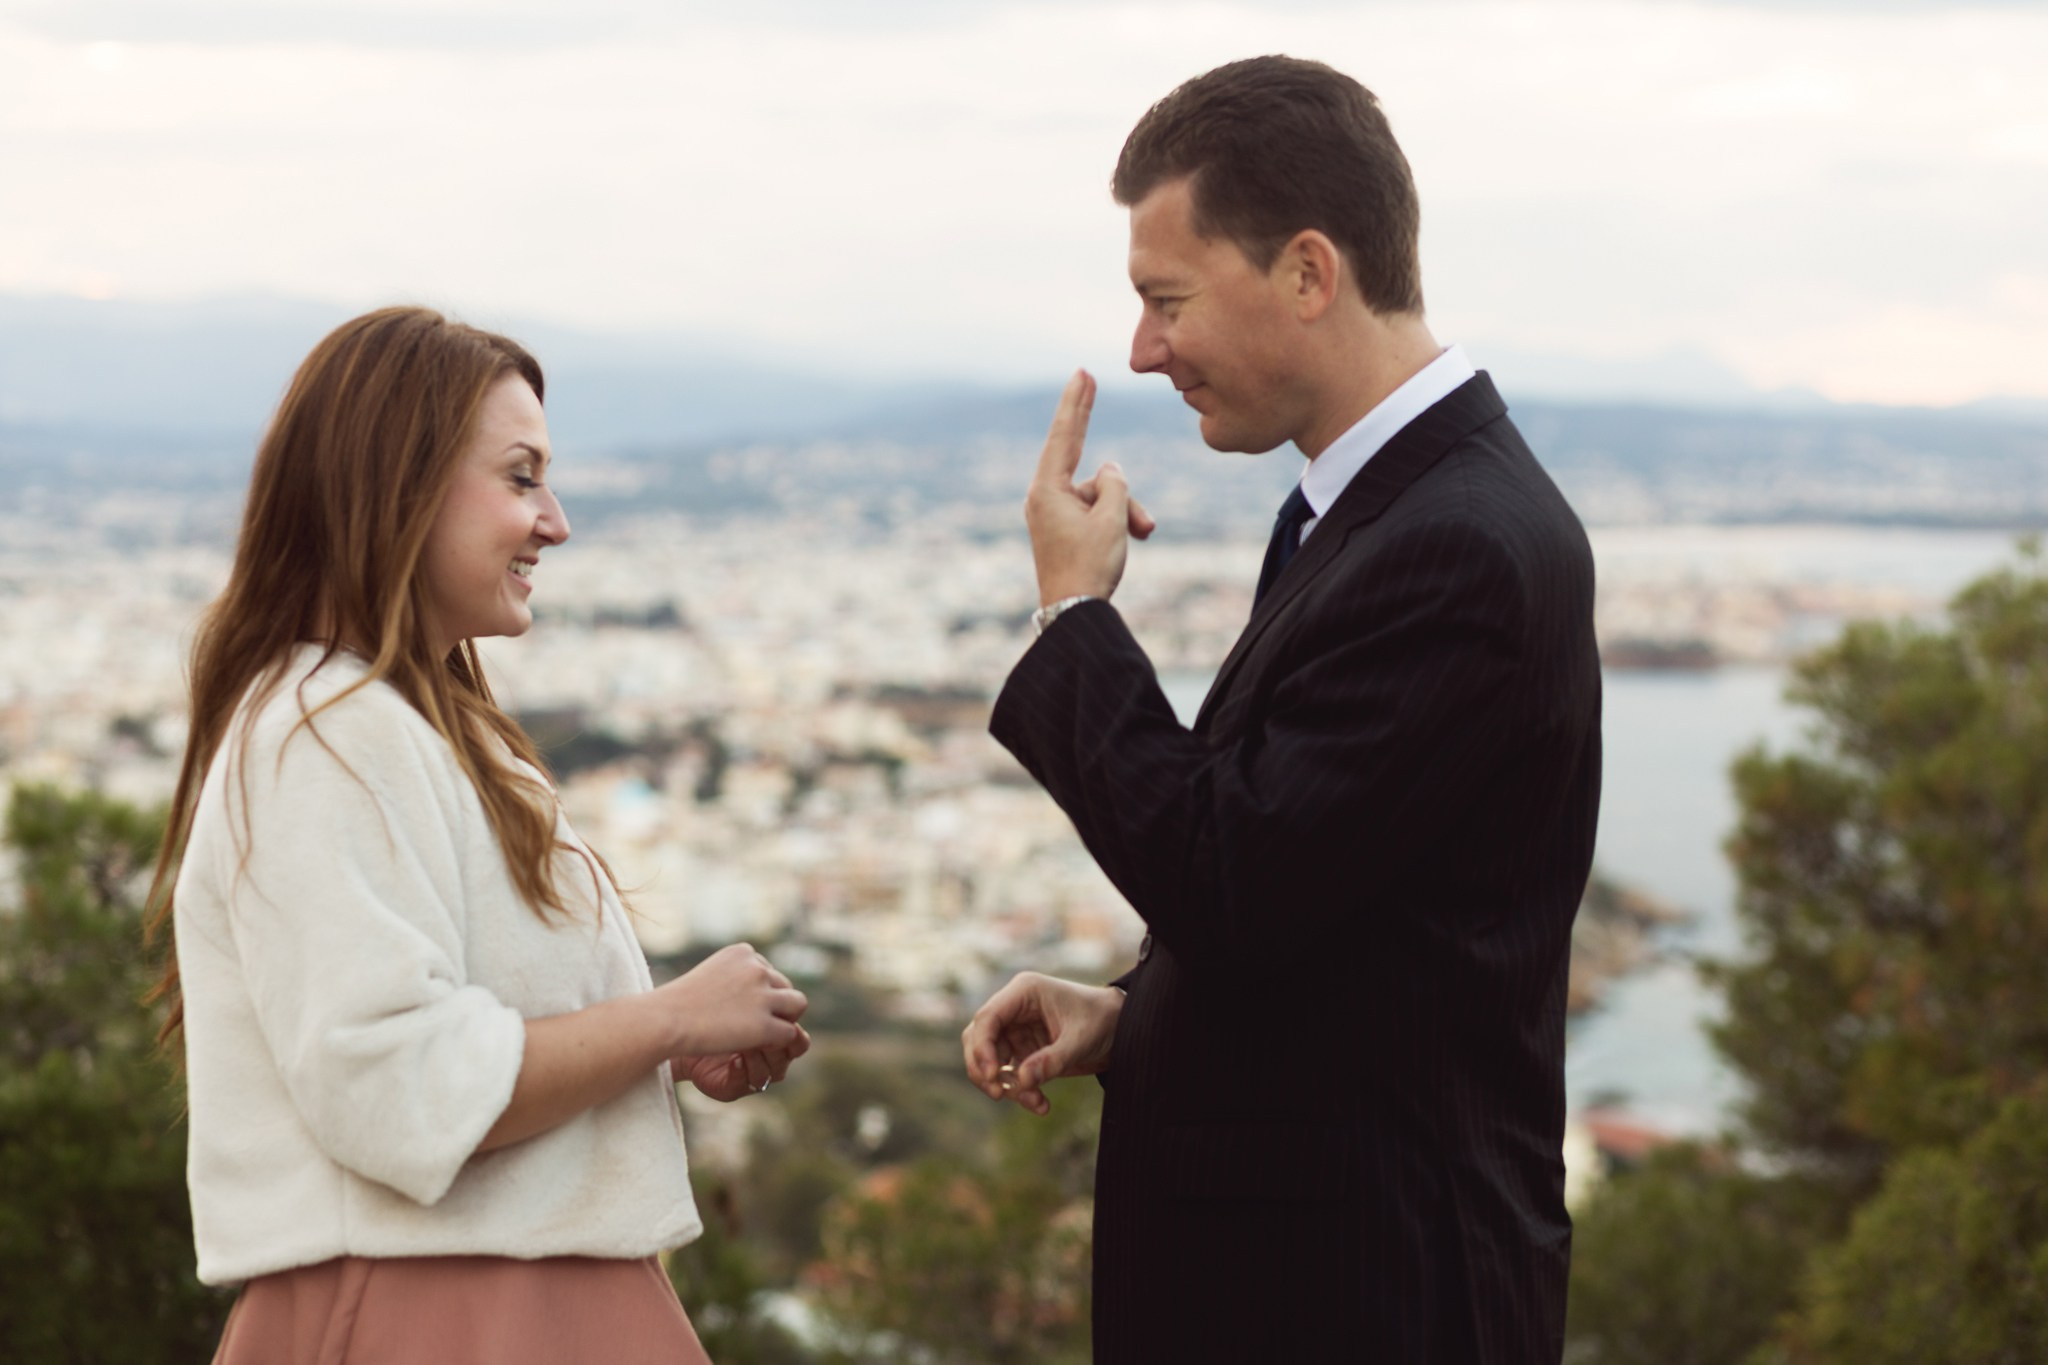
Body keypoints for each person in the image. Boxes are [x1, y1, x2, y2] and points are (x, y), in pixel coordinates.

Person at [960, 56, 1601, 1363]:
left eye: (1166, 301)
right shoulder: (1383, 512)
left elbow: (1229, 878)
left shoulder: (1453, 544)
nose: (1143, 351)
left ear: (1309, 273)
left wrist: (1073, 615)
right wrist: (1139, 1021)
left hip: (1366, 1299)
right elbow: (1340, 907)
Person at [144, 306, 810, 1363]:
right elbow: (395, 1091)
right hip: (442, 1313)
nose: (555, 521)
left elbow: (460, 1044)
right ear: (397, 489)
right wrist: (664, 1019)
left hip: (488, 1301)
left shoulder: (408, 730)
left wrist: (661, 1049)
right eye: (520, 477)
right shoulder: (324, 735)